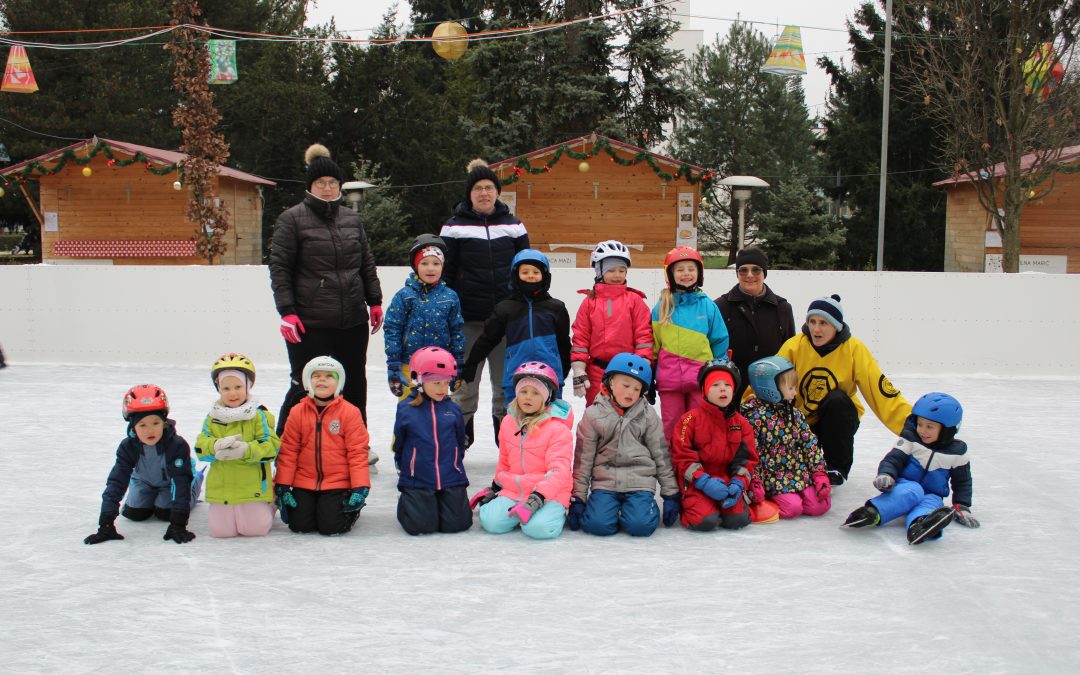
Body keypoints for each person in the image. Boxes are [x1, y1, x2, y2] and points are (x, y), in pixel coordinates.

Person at [269, 143, 383, 439]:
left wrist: (374, 301)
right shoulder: (291, 219)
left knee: (354, 382)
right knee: (305, 383)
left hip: (351, 320)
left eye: (333, 183)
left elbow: (365, 262)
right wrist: (288, 312)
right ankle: (287, 440)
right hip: (311, 321)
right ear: (310, 186)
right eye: (322, 183)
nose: (328, 188)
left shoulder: (351, 219)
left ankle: (358, 441)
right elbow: (280, 269)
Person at [440, 158, 530, 447]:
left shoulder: (514, 225)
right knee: (465, 386)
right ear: (469, 193)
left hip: (505, 321)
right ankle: (458, 442)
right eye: (478, 188)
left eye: (489, 187)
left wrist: (520, 305)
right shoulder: (453, 227)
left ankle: (506, 445)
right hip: (468, 320)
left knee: (505, 386)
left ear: (497, 191)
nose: (484, 193)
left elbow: (526, 269)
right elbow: (446, 272)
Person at [776, 294, 911, 486]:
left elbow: (881, 391)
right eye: (812, 321)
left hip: (837, 420)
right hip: (802, 422)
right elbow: (771, 381)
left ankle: (836, 467)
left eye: (823, 323)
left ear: (836, 326)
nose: (816, 329)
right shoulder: (795, 346)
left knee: (838, 400)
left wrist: (913, 424)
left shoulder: (854, 349)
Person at [843, 392, 980, 545]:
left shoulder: (957, 453)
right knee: (912, 491)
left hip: (932, 494)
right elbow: (894, 458)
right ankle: (873, 513)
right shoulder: (911, 439)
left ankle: (921, 525)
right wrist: (886, 474)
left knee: (932, 503)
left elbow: (963, 482)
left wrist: (962, 505)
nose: (922, 430)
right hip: (904, 486)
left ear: (948, 429)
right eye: (920, 424)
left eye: (930, 427)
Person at [569, 353, 680, 537]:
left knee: (640, 526)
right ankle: (611, 512)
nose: (630, 392)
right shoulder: (593, 415)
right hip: (605, 482)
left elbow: (661, 455)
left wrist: (670, 494)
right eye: (625, 385)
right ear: (610, 383)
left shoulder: (648, 416)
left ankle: (640, 511)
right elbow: (584, 459)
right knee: (597, 525)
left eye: (636, 389)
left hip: (640, 482)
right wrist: (578, 498)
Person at [83, 384, 202, 545]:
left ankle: (194, 481)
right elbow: (116, 482)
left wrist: (178, 523)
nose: (150, 430)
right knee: (135, 514)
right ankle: (147, 494)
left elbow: (179, 483)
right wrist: (106, 523)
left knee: (165, 514)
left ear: (164, 422)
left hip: (170, 481)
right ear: (133, 426)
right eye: (142, 425)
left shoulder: (177, 445)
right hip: (143, 481)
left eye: (155, 423)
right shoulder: (128, 447)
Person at [469, 362, 574, 540]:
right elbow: (504, 460)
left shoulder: (557, 429)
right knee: (491, 523)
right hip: (514, 489)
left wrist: (538, 497)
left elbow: (559, 470)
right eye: (523, 392)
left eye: (535, 393)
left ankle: (554, 513)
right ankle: (517, 513)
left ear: (547, 397)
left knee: (538, 529)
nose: (528, 397)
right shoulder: (509, 422)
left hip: (548, 493)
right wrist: (495, 487)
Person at [461, 249, 571, 409]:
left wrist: (563, 371)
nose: (531, 275)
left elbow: (563, 343)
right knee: (515, 422)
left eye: (536, 271)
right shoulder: (506, 308)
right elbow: (488, 339)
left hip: (549, 374)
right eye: (525, 272)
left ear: (545, 276)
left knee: (550, 421)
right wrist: (471, 364)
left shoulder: (556, 308)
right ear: (515, 275)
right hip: (516, 375)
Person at [274, 356, 371, 536]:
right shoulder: (297, 412)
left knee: (331, 526)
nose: (321, 380)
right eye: (316, 375)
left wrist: (360, 486)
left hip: (337, 482)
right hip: (305, 480)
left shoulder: (349, 413)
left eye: (329, 376)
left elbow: (357, 453)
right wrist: (283, 484)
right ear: (307, 381)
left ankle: (351, 511)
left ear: (339, 382)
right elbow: (288, 451)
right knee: (299, 525)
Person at [193, 353, 281, 538]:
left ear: (248, 386)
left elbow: (272, 446)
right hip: (222, 488)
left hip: (253, 488)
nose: (232, 393)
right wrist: (215, 446)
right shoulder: (212, 418)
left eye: (238, 387)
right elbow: (201, 447)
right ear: (219, 389)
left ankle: (270, 503)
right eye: (226, 388)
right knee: (221, 532)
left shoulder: (259, 416)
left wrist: (245, 450)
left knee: (255, 530)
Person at [652, 246, 729, 444]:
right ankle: (673, 469)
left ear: (699, 273)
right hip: (670, 382)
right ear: (670, 274)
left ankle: (699, 467)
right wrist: (649, 376)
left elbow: (719, 341)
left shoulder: (708, 306)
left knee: (701, 425)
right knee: (671, 427)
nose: (686, 274)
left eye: (691, 269)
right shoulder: (662, 307)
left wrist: (719, 373)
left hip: (700, 380)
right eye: (680, 270)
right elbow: (653, 344)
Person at [670, 358, 758, 531]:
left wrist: (738, 483)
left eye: (727, 384)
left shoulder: (742, 424)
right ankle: (689, 508)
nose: (722, 389)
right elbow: (681, 456)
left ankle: (729, 505)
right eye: (715, 385)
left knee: (738, 520)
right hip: (697, 483)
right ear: (704, 391)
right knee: (706, 522)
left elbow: (746, 460)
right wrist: (703, 481)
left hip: (727, 482)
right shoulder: (689, 420)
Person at [392, 347, 471, 535]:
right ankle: (409, 499)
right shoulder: (407, 409)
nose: (443, 389)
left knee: (458, 524)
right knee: (421, 526)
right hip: (418, 477)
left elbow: (460, 442)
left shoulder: (453, 410)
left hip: (451, 476)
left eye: (446, 382)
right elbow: (400, 444)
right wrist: (408, 468)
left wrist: (454, 462)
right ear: (419, 381)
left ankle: (440, 502)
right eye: (436, 383)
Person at [741, 356, 831, 520]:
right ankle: (768, 502)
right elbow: (751, 453)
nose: (795, 392)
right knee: (793, 509)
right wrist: (755, 481)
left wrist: (819, 473)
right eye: (790, 387)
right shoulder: (754, 418)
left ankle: (799, 493)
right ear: (770, 388)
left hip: (799, 473)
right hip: (773, 478)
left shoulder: (794, 414)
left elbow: (809, 443)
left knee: (820, 505)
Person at [569, 240, 654, 406]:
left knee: (627, 415)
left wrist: (642, 367)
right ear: (599, 271)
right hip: (596, 371)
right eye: (611, 270)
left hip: (628, 371)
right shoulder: (589, 302)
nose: (617, 275)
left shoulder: (634, 301)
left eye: (622, 270)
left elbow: (644, 335)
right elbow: (580, 337)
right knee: (597, 415)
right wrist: (579, 367)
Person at [383, 234, 465, 400]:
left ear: (442, 266)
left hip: (440, 366)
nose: (430, 268)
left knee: (436, 412)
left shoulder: (450, 296)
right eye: (424, 263)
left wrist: (458, 361)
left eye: (436, 263)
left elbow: (457, 329)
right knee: (410, 411)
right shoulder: (405, 295)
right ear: (415, 266)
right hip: (409, 364)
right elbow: (392, 328)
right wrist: (393, 364)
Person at [714, 246, 796, 402]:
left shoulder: (782, 308)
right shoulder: (720, 307)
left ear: (764, 272)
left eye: (756, 270)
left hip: (773, 393)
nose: (749, 275)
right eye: (743, 270)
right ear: (737, 274)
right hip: (731, 392)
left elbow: (789, 353)